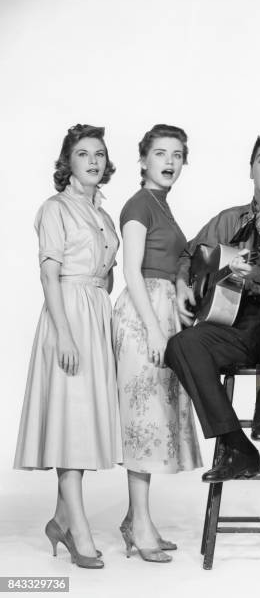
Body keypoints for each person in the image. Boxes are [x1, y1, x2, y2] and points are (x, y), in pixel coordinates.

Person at [164, 130, 260, 482]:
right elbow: (190, 254)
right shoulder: (228, 220)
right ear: (251, 169)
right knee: (181, 346)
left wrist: (256, 278)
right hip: (237, 325)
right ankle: (237, 447)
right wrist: (183, 282)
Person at [14, 124, 121, 569]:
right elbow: (48, 274)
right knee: (71, 422)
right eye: (82, 154)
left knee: (86, 420)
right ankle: (78, 530)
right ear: (67, 163)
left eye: (98, 153)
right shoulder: (55, 208)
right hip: (69, 316)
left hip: (96, 312)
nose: (93, 160)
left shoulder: (104, 215)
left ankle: (60, 519)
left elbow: (108, 273)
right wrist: (64, 332)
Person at [112, 124, 202, 563]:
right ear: (143, 160)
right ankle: (140, 524)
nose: (170, 162)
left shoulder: (162, 206)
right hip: (142, 318)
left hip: (162, 315)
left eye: (178, 155)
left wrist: (182, 286)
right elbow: (131, 272)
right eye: (161, 153)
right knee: (142, 422)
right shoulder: (138, 205)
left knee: (152, 420)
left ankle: (137, 520)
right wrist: (152, 329)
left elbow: (176, 262)